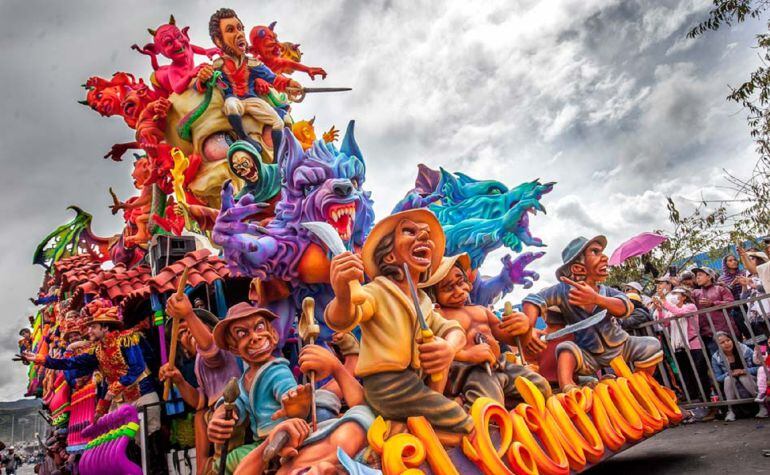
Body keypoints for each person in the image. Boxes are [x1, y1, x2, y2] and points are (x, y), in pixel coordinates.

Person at [325, 208, 473, 436]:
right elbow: (345, 318)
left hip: (416, 383)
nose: (423, 236)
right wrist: (343, 295)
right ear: (389, 257)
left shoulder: (423, 301)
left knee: (446, 418)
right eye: (409, 231)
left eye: (426, 234)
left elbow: (454, 330)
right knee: (460, 420)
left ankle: (417, 434)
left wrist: (449, 348)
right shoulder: (377, 291)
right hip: (388, 387)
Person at [521, 235, 663, 392]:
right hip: (587, 353)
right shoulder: (562, 291)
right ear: (578, 268)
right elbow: (533, 299)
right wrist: (529, 327)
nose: (605, 257)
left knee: (652, 346)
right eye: (595, 252)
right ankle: (569, 388)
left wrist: (597, 299)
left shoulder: (606, 291)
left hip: (620, 345)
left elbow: (625, 307)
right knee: (565, 350)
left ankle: (637, 387)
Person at [423, 252, 551, 409]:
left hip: (500, 365)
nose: (459, 291)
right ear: (433, 294)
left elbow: (513, 340)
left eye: (460, 282)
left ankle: (510, 406)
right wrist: (467, 354)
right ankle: (463, 406)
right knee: (488, 403)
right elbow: (435, 350)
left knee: (540, 387)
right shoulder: (438, 315)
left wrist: (525, 327)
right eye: (449, 288)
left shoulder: (482, 310)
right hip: (470, 372)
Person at [195, 8, 301, 154]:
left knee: (278, 122)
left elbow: (273, 78)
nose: (239, 34)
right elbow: (203, 85)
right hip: (233, 100)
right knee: (231, 105)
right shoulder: (218, 65)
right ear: (218, 41)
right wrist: (202, 79)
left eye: (240, 28)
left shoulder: (252, 63)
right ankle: (244, 138)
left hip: (251, 100)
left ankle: (277, 159)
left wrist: (290, 83)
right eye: (231, 30)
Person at [159, 293, 242, 475]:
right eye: (181, 333)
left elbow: (209, 348)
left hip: (234, 408)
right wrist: (179, 380)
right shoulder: (198, 364)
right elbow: (199, 401)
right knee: (200, 415)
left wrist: (188, 315)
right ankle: (203, 467)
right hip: (214, 413)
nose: (188, 332)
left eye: (191, 326)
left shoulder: (221, 347)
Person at [652, 287, 706, 402]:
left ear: (684, 297)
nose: (673, 296)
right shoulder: (670, 311)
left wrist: (664, 301)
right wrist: (660, 310)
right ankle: (692, 397)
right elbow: (665, 323)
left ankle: (705, 397)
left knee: (699, 372)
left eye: (677, 294)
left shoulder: (690, 307)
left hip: (693, 344)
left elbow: (679, 313)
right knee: (685, 373)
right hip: (678, 346)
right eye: (673, 293)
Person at [711, 331, 767, 420]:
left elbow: (760, 368)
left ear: (732, 340)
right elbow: (718, 377)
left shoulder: (745, 350)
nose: (726, 343)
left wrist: (744, 371)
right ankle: (731, 411)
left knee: (743, 377)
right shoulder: (716, 357)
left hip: (751, 382)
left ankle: (762, 406)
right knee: (728, 379)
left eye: (728, 340)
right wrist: (730, 373)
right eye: (722, 342)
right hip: (733, 387)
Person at [692, 267, 736, 355]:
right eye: (696, 276)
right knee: (718, 359)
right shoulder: (695, 293)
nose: (697, 278)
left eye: (700, 275)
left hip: (726, 332)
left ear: (709, 277)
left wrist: (713, 303)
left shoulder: (721, 288)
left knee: (737, 355)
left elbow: (731, 303)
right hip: (708, 335)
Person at [719, 254, 752, 340]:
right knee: (747, 333)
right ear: (725, 264)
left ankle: (764, 348)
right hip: (736, 310)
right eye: (730, 260)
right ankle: (753, 348)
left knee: (758, 330)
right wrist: (732, 284)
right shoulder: (721, 279)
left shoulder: (744, 273)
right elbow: (724, 295)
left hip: (750, 305)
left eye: (734, 260)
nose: (734, 262)